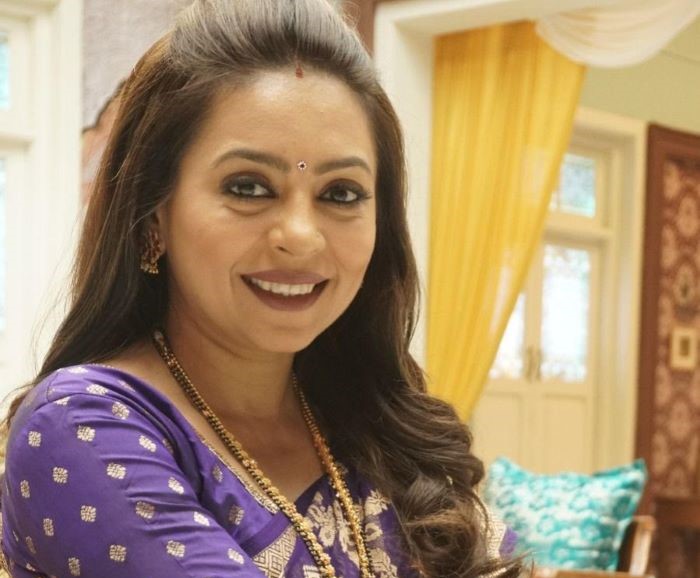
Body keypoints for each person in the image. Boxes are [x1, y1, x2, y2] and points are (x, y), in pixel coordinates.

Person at [0, 1, 520, 577]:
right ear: (153, 215)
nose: (300, 236)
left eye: (341, 193)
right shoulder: (83, 426)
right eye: (248, 187)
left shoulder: (383, 430)